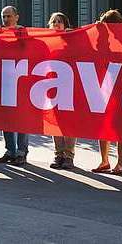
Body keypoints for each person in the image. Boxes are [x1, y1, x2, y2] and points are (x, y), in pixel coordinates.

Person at [92, 9, 122, 174]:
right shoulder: (104, 38)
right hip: (107, 83)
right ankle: (108, 161)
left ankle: (117, 162)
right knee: (104, 124)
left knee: (119, 127)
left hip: (119, 84)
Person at [0, 5, 29, 165]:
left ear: (17, 17)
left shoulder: (23, 33)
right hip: (5, 81)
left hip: (21, 82)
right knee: (5, 118)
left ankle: (22, 151)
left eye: (9, 16)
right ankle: (10, 150)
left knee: (22, 118)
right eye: (4, 16)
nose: (6, 19)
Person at [47, 12, 76, 170]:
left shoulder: (72, 40)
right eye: (53, 22)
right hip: (51, 85)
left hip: (69, 85)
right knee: (56, 123)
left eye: (59, 21)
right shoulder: (47, 40)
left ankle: (69, 155)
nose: (57, 24)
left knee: (69, 123)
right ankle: (58, 154)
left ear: (65, 24)